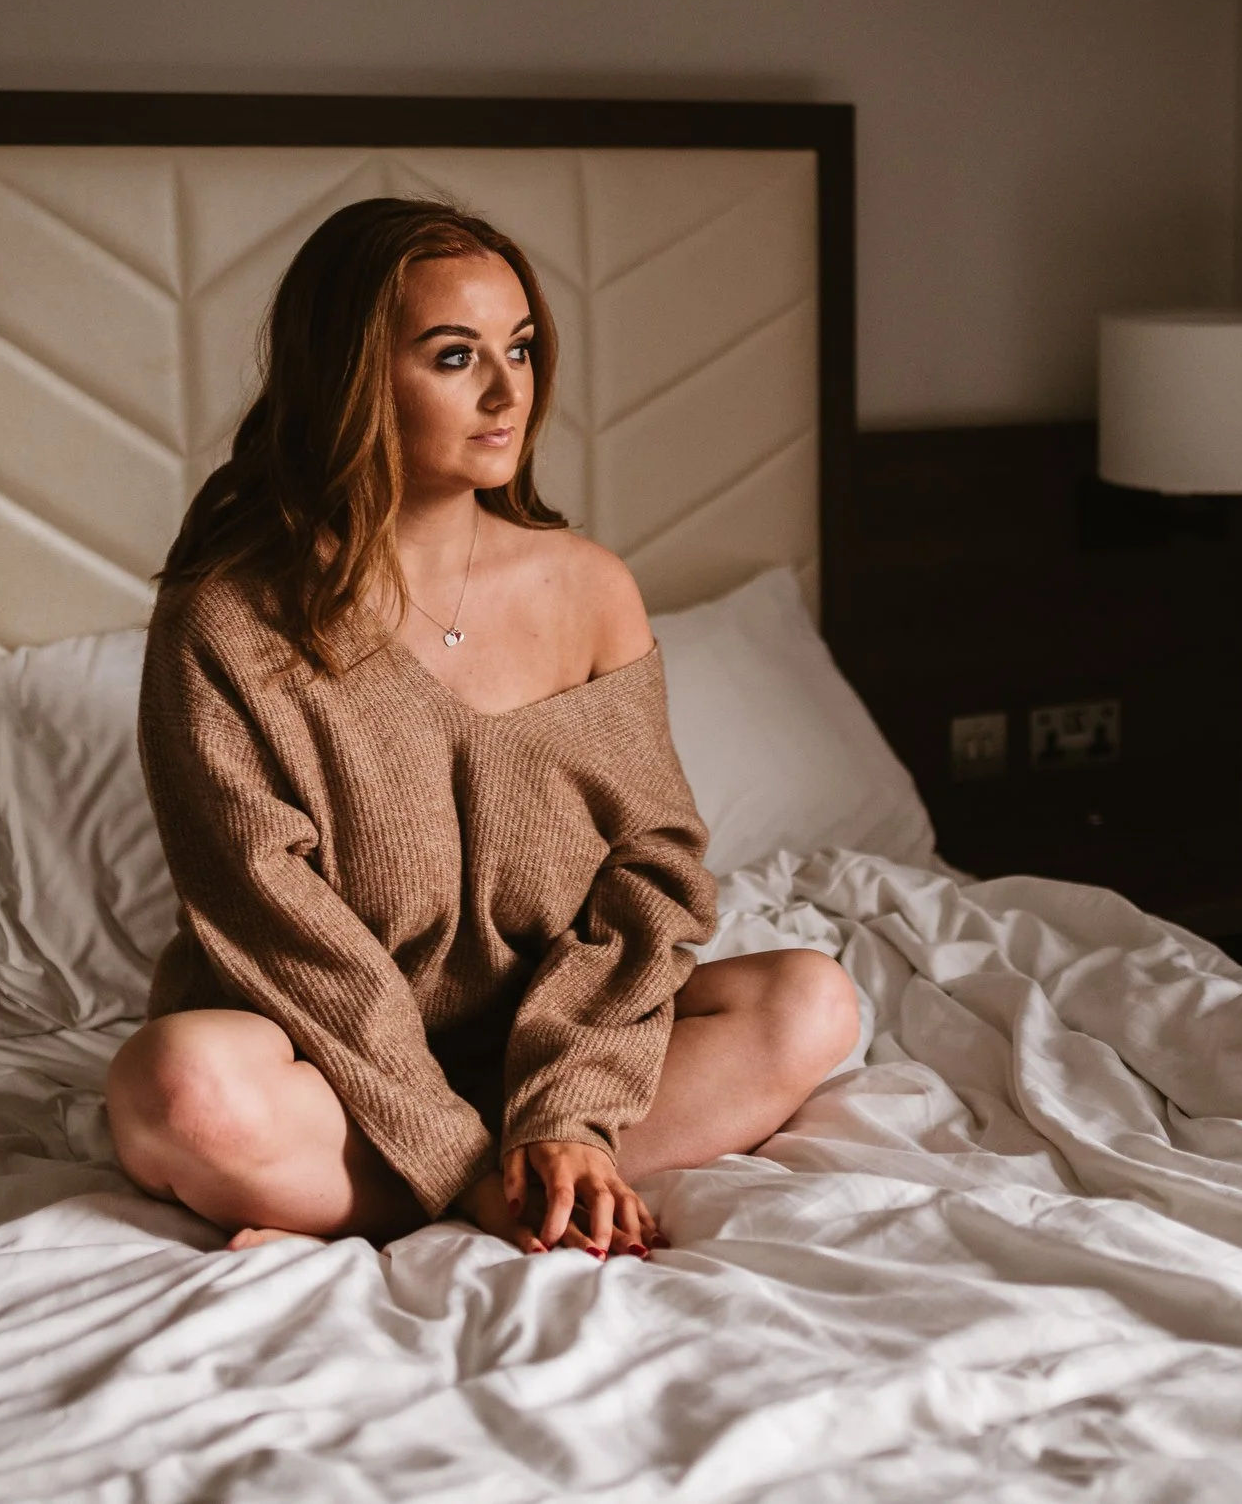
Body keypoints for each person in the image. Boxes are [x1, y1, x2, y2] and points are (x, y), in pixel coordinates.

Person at [105, 198, 860, 1261]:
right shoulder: (226, 618)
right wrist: (459, 1162)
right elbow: (274, 922)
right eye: (455, 356)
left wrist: (568, 1107)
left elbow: (650, 874)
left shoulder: (590, 589)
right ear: (352, 376)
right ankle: (498, 1189)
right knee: (176, 1083)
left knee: (811, 999)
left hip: (544, 1049)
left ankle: (510, 1173)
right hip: (327, 1065)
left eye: (522, 347)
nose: (510, 391)